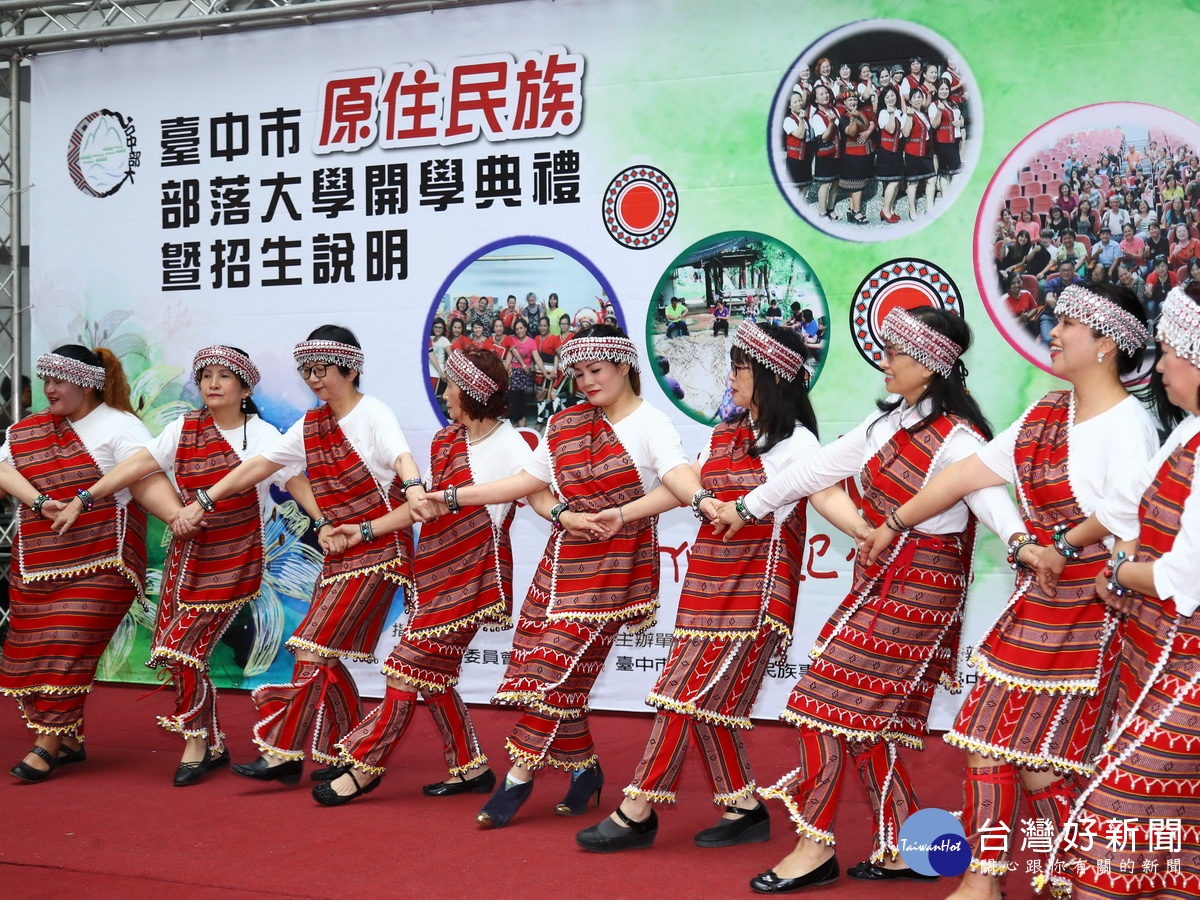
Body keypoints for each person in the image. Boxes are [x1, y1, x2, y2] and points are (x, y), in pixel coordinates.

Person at [861, 284, 1157, 898]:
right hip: (1038, 599)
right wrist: (892, 524)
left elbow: (1128, 513)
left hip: (1096, 610)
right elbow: (967, 475)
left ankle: (1036, 879)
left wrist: (1064, 546)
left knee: (1030, 757)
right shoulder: (1050, 411)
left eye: (1070, 322)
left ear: (1106, 342)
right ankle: (1029, 878)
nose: (1053, 329)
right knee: (1001, 746)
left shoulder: (1132, 426)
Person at [713, 307, 1023, 893]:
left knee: (815, 704)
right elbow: (813, 471)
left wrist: (1020, 541)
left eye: (898, 353)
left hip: (922, 595)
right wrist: (746, 507)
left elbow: (988, 499)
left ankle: (814, 846)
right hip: (879, 583)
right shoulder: (886, 426)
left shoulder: (958, 439)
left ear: (930, 365)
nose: (885, 360)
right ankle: (906, 843)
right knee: (860, 722)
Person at [574, 324, 865, 853]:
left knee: (682, 697)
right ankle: (744, 806)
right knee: (710, 705)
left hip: (754, 593)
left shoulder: (796, 442)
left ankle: (637, 808)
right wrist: (623, 514)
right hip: (707, 583)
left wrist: (871, 533)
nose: (728, 379)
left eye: (738, 369)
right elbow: (683, 488)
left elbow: (824, 496)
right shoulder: (728, 431)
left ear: (769, 375)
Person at [425, 324, 702, 829]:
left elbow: (679, 481)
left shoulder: (651, 424)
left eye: (596, 370)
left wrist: (661, 505)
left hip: (618, 570)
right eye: (578, 373)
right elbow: (533, 486)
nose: (586, 382)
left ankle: (518, 777)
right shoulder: (566, 422)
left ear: (624, 366)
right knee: (556, 673)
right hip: (560, 565)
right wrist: (457, 496)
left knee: (554, 668)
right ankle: (586, 773)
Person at [172, 325, 427, 784]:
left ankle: (283, 752)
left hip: (380, 549)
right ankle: (342, 750)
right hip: (340, 552)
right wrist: (207, 499)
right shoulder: (311, 426)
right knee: (320, 654)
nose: (313, 379)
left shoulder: (373, 414)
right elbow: (262, 467)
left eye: (322, 370)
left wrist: (413, 485)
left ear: (350, 370)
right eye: (306, 371)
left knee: (311, 648)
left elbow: (402, 458)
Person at [51, 346, 306, 785]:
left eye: (224, 376)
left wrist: (327, 521)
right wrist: (84, 497)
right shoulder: (184, 427)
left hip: (237, 559)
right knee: (181, 657)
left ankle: (196, 744)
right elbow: (139, 466)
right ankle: (209, 740)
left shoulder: (264, 436)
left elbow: (294, 480)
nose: (212, 383)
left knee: (182, 649)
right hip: (186, 559)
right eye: (205, 375)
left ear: (245, 388)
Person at [313, 349, 532, 806]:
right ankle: (470, 767)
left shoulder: (512, 447)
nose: (442, 392)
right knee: (434, 675)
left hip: (474, 580)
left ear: (471, 390)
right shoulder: (446, 439)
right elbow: (423, 507)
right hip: (434, 571)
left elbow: (525, 497)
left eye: (450, 384)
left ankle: (364, 768)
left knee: (404, 669)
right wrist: (366, 530)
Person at [1043, 284, 1200, 899]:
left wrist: (1116, 572)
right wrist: (1106, 551)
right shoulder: (1186, 432)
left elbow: (1178, 579)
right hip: (1152, 651)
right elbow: (1128, 510)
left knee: (1106, 821)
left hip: (1186, 664)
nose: (1159, 368)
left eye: (1169, 353)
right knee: (1167, 830)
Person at [0, 345, 184, 782]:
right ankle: (69, 738)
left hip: (103, 562)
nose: (48, 389)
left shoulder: (120, 427)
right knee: (31, 657)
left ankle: (47, 742)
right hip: (36, 563)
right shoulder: (28, 429)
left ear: (86, 382)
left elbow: (146, 480)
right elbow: (3, 468)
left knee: (66, 647)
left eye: (58, 381)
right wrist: (40, 501)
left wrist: (179, 517)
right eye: (45, 380)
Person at [902, 88, 939, 221]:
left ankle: (930, 208)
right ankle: (912, 211)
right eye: (914, 98)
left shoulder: (924, 114)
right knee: (914, 182)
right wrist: (909, 117)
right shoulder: (907, 114)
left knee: (932, 179)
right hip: (913, 152)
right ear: (910, 100)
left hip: (926, 152)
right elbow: (906, 134)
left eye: (919, 97)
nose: (917, 100)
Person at [838, 92, 874, 224]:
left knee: (859, 183)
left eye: (854, 100)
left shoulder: (862, 112)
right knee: (856, 185)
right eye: (849, 100)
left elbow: (871, 123)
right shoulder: (844, 118)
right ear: (845, 103)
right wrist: (853, 119)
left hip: (864, 152)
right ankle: (856, 211)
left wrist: (868, 133)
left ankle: (851, 208)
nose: (853, 102)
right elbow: (851, 132)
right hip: (853, 155)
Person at [809, 85, 840, 219]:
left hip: (837, 153)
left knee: (836, 182)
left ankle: (830, 208)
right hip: (825, 154)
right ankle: (822, 213)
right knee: (825, 183)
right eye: (821, 94)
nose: (825, 96)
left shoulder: (834, 110)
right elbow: (824, 137)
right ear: (815, 99)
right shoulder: (816, 117)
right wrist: (831, 123)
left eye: (826, 93)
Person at [503, 317, 541, 427]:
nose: (519, 331)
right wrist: (505, 369)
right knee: (513, 394)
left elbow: (537, 358)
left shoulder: (531, 342)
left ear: (525, 328)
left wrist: (545, 372)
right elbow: (510, 355)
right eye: (517, 329)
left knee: (519, 395)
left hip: (524, 372)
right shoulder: (512, 340)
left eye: (521, 328)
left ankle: (519, 417)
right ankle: (518, 417)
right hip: (513, 371)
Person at [782, 90, 812, 193]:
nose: (799, 104)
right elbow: (800, 134)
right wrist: (801, 120)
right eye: (795, 102)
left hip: (805, 156)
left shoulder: (804, 118)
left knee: (806, 185)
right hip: (794, 159)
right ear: (789, 106)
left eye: (800, 101)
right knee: (794, 187)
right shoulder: (788, 120)